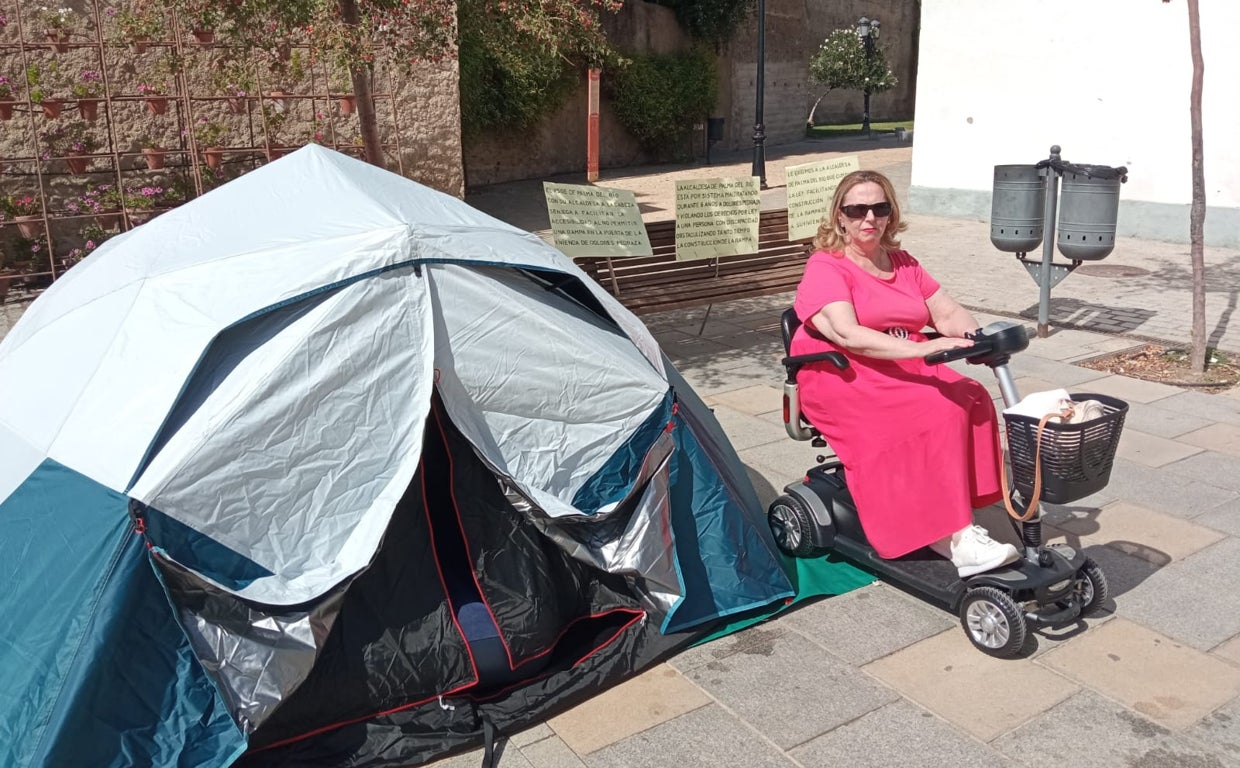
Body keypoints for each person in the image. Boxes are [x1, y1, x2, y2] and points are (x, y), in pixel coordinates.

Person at [790, 169, 1019, 577]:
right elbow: (848, 334)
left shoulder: (903, 262)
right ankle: (953, 536)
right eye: (857, 209)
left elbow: (944, 310)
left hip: (897, 359)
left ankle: (952, 508)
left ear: (891, 214)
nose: (869, 218)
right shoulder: (826, 267)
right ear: (839, 216)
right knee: (935, 410)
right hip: (838, 371)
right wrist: (924, 346)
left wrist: (976, 338)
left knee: (971, 395)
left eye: (879, 208)